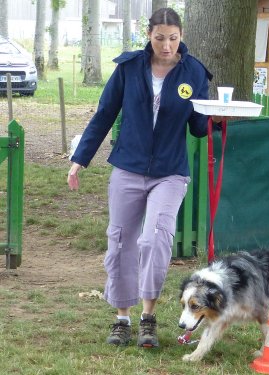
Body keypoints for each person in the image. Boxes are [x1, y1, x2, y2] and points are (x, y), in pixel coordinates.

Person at [67, 8, 213, 348]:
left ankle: (149, 316)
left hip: (170, 172)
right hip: (128, 168)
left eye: (173, 38)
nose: (166, 46)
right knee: (120, 242)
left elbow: (199, 127)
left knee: (154, 239)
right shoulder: (129, 68)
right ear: (149, 35)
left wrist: (216, 118)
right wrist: (79, 160)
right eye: (160, 38)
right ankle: (122, 319)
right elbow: (104, 114)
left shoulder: (193, 72)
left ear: (181, 36)